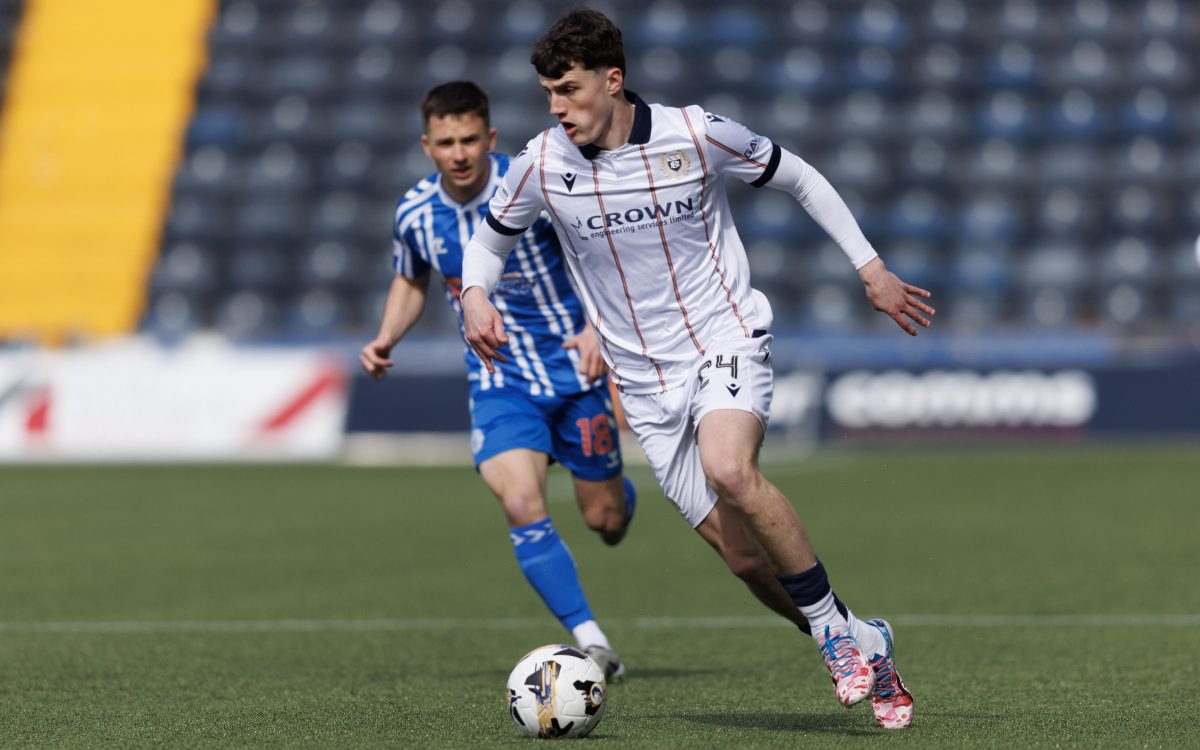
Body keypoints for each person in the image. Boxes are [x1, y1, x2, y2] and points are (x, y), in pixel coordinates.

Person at [460, 8, 931, 729]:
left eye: (569, 89)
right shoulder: (541, 165)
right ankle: (858, 636)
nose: (556, 107)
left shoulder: (696, 133)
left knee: (730, 469)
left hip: (723, 337)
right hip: (644, 387)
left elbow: (800, 177)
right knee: (744, 562)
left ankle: (831, 636)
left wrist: (870, 268)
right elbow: (490, 241)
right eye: (548, 93)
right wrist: (474, 295)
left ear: (612, 80)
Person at [361, 80, 636, 680]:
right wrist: (386, 337)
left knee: (606, 521)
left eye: (469, 140)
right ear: (427, 146)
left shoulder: (536, 179)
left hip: (575, 371)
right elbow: (410, 280)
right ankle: (592, 642)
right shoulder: (415, 214)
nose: (459, 154)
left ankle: (614, 489)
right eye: (445, 143)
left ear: (489, 137)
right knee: (519, 501)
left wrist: (597, 326)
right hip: (499, 381)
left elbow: (606, 249)